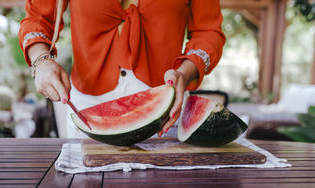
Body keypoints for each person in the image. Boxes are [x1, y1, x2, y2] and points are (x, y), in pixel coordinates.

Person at [19, 0, 225, 138]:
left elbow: (208, 33)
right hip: (88, 109)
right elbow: (38, 17)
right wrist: (41, 61)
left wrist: (184, 72)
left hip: (164, 113)